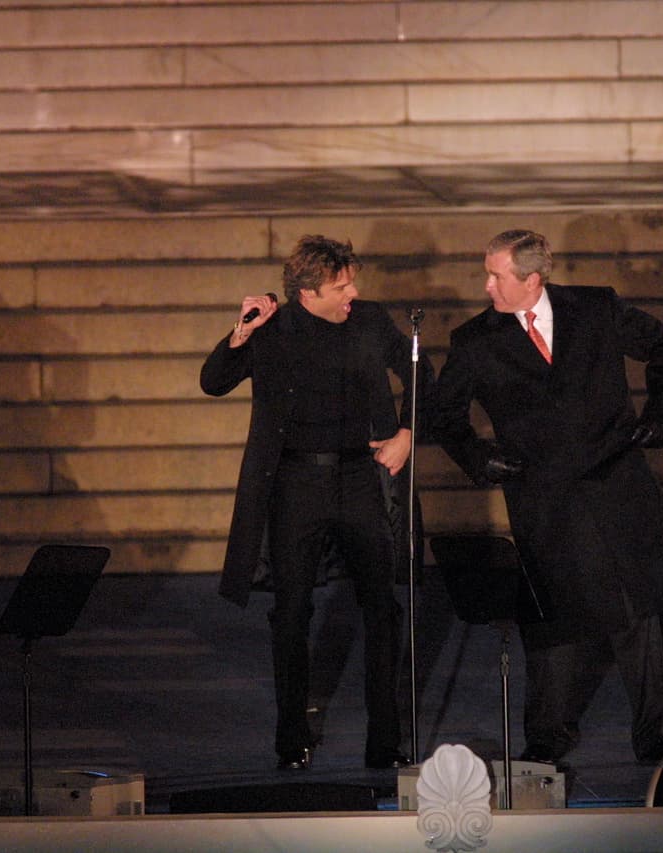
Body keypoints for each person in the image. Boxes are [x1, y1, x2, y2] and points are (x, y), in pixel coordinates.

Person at [431, 228, 663, 766]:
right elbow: (445, 417)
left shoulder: (596, 308)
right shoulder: (475, 341)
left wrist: (661, 417)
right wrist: (480, 460)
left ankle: (654, 732)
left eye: (496, 276)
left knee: (635, 615)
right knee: (551, 620)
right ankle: (547, 736)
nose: (486, 286)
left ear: (532, 279)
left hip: (615, 486)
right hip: (543, 496)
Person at [200, 234, 434, 771]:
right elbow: (213, 382)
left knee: (382, 607)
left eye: (352, 281)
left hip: (362, 477)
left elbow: (422, 373)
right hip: (296, 485)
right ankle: (291, 738)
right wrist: (240, 331)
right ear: (308, 293)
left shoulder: (370, 321)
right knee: (291, 613)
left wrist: (407, 432)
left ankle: (385, 741)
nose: (353, 292)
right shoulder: (273, 329)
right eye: (341, 286)